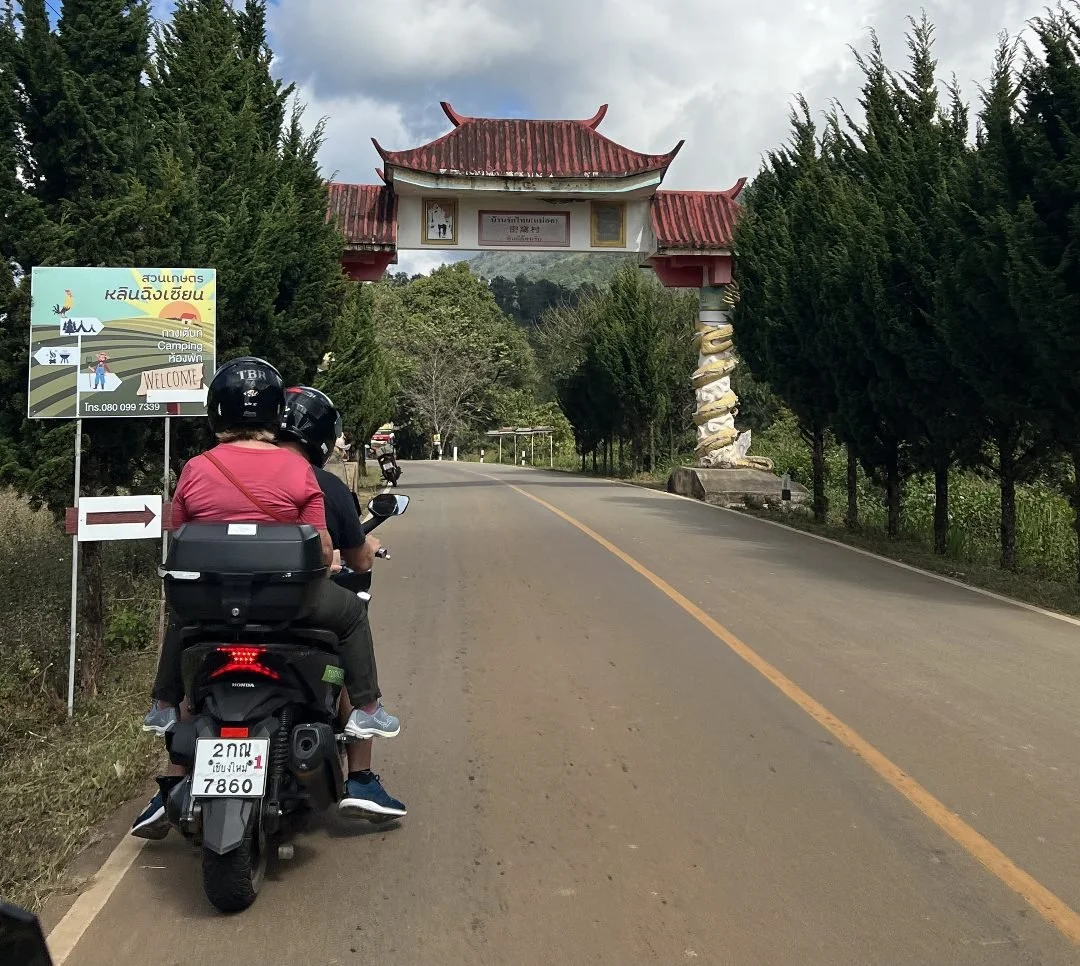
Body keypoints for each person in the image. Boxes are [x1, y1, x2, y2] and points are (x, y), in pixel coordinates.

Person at [131, 357, 400, 838]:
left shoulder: (195, 468)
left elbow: (181, 536)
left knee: (181, 621)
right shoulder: (301, 474)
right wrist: (327, 561)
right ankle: (365, 710)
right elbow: (321, 548)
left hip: (210, 607)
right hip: (289, 606)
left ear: (216, 412)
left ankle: (164, 704)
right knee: (354, 617)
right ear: (276, 413)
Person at [278, 385, 406, 821]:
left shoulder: (215, 471)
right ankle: (362, 775)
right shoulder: (322, 485)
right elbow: (353, 556)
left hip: (226, 607)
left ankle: (173, 776)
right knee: (350, 632)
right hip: (301, 604)